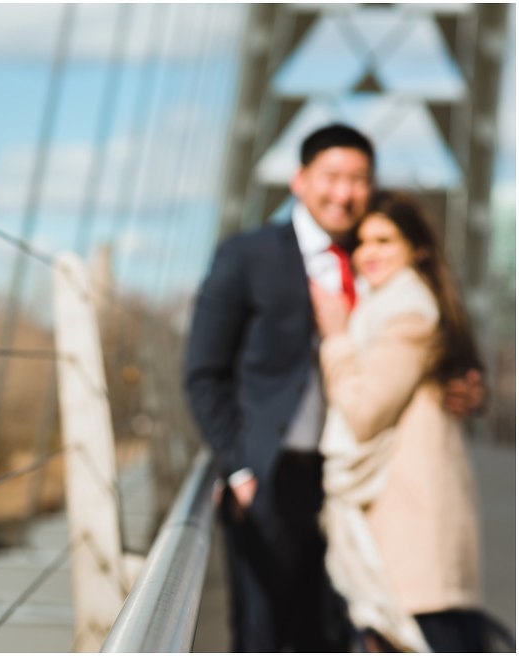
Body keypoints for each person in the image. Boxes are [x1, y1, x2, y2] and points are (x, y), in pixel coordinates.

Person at [183, 123, 485, 652]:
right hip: (270, 481)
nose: (344, 193)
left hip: (358, 490)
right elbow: (204, 372)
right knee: (264, 638)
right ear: (300, 180)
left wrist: (462, 382)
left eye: (358, 179)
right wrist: (238, 467)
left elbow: (424, 335)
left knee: (339, 636)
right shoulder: (247, 256)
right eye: (331, 177)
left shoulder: (375, 254)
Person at [311, 190, 484, 652]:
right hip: (405, 514)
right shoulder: (390, 306)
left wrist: (335, 339)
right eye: (362, 243)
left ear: (417, 248)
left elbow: (365, 412)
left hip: (410, 520)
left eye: (385, 240)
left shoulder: (406, 310)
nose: (369, 253)